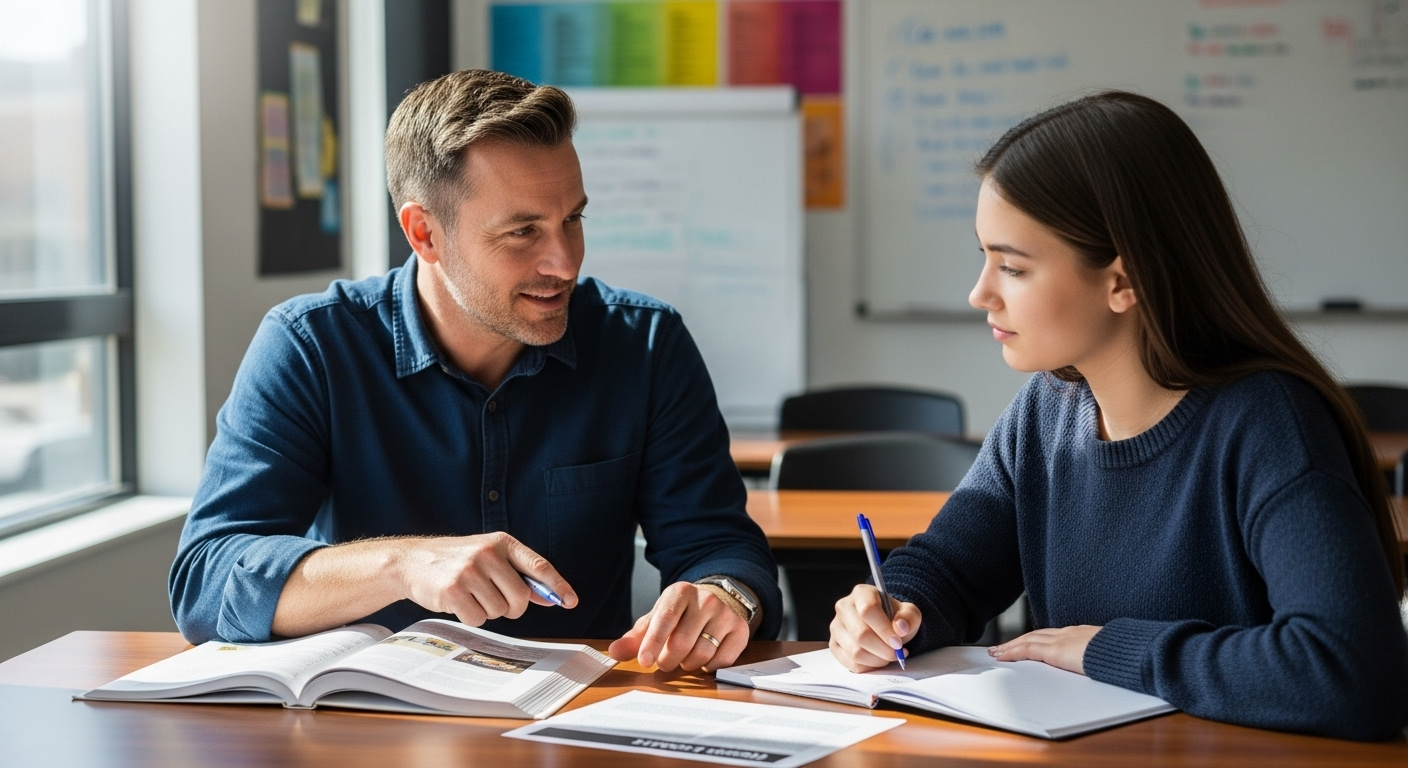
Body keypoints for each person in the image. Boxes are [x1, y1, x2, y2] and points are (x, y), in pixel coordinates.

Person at [828, 91, 1408, 740]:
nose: (979, 293)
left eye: (1012, 266)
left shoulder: (1268, 425)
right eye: (983, 257)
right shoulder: (1045, 414)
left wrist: (1108, 651)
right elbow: (949, 569)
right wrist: (891, 610)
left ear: (1122, 283)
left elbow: (1353, 673)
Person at [169, 70, 781, 674]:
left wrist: (727, 596)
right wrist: (404, 564)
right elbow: (206, 577)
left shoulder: (645, 344)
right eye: (522, 232)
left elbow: (718, 546)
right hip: (374, 722)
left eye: (573, 220)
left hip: (579, 716)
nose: (563, 262)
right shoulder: (311, 346)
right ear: (424, 233)